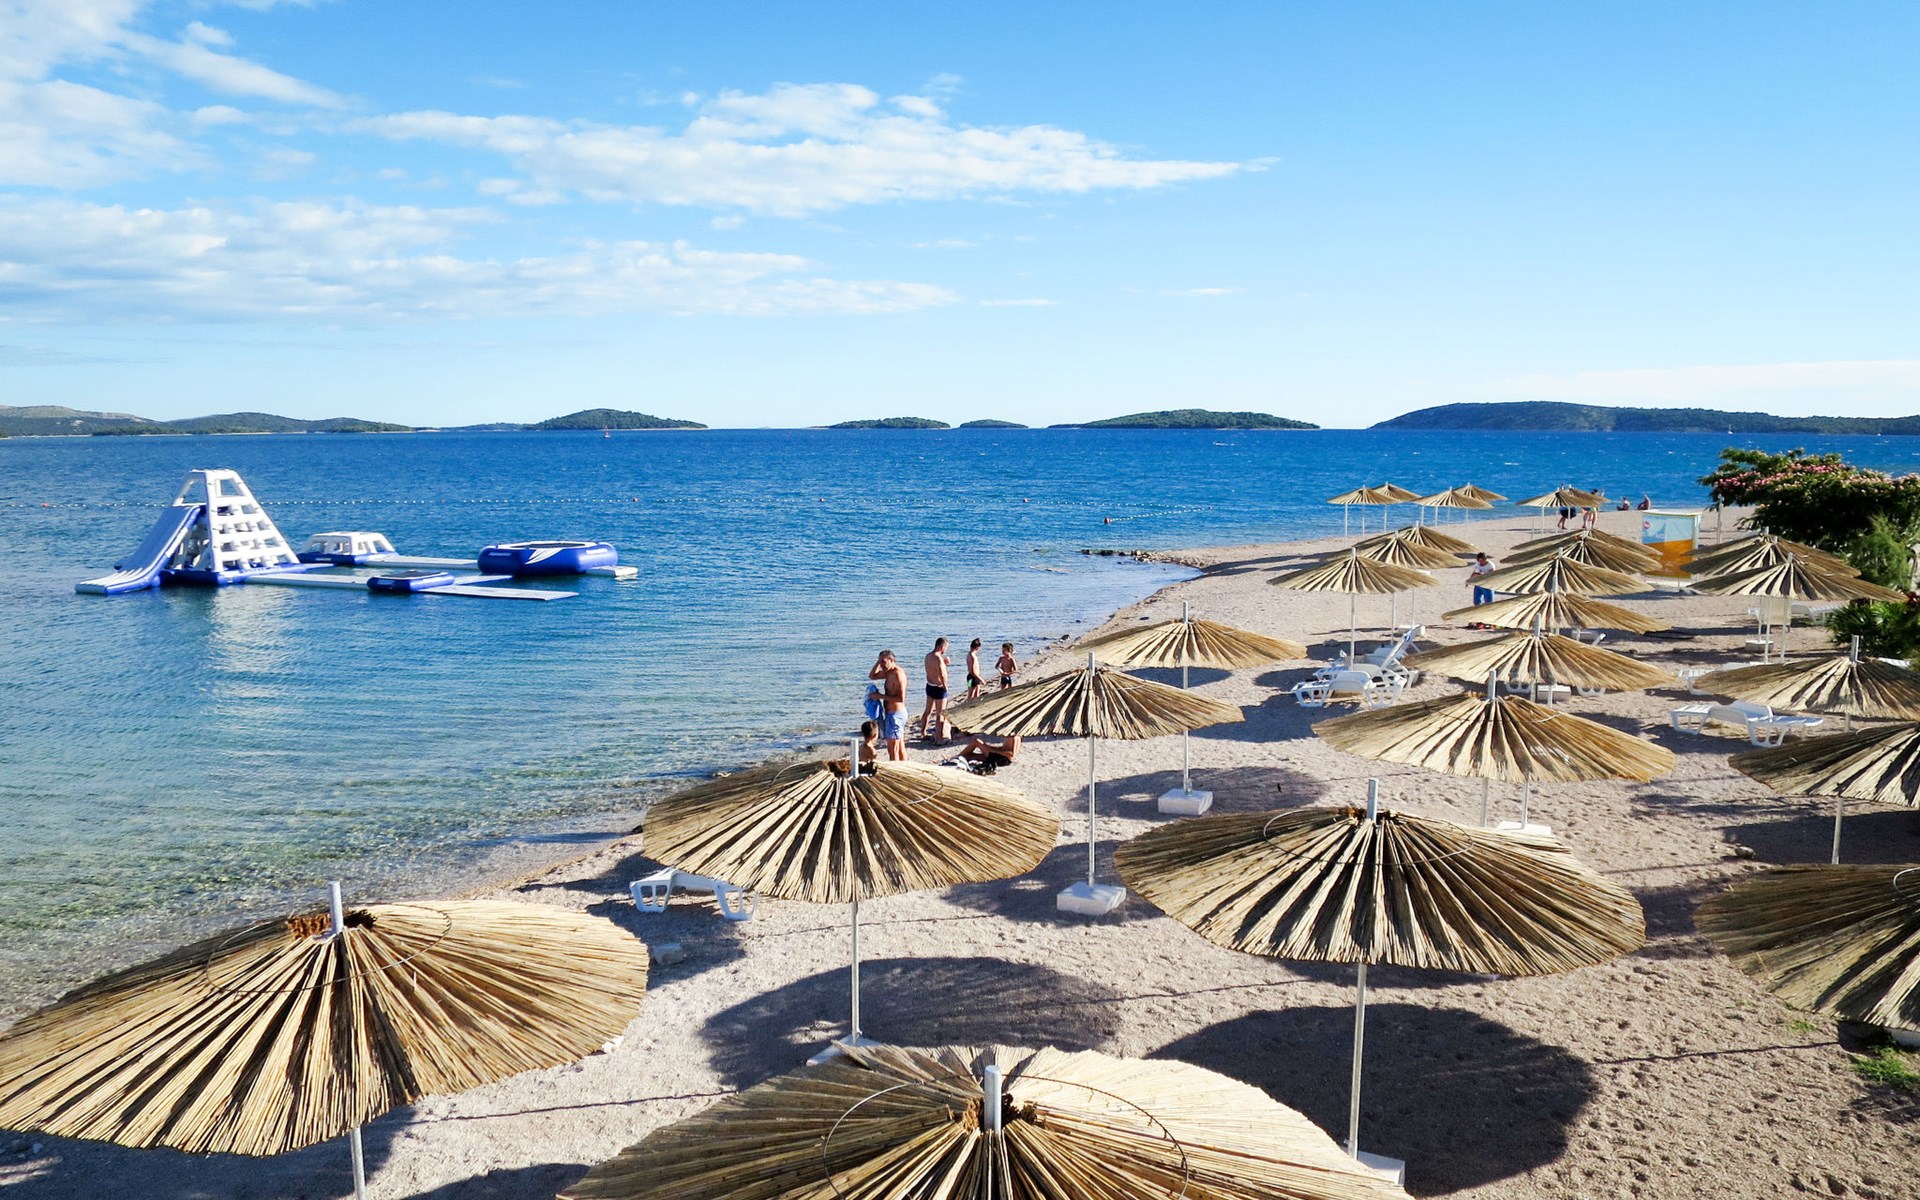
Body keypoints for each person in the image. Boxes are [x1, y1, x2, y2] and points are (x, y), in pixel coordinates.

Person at [869, 650, 909, 760]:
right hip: (892, 714)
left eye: (883, 662)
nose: (881, 665)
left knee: (892, 750)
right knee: (900, 748)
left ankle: (895, 769)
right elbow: (872, 676)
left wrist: (880, 696)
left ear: (891, 660)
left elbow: (901, 698)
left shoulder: (897, 674)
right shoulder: (888, 672)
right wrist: (878, 662)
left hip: (896, 715)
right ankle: (903, 767)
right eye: (880, 662)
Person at [918, 637, 951, 742]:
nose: (945, 650)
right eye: (945, 648)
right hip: (939, 688)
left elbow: (932, 670)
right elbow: (941, 674)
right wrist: (945, 686)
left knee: (928, 710)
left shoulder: (928, 656)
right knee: (940, 713)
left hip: (930, 685)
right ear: (941, 647)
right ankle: (939, 738)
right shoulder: (938, 658)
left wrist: (944, 664)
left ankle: (923, 732)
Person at [1467, 552, 1497, 624]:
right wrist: (1469, 580)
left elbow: (1492, 575)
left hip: (1488, 586)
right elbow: (1474, 572)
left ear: (1485, 559)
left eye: (1481, 561)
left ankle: (1489, 619)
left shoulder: (1490, 565)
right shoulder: (1478, 564)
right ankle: (1478, 618)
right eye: (1479, 560)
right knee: (1476, 601)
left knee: (1488, 603)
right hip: (1478, 585)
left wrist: (1480, 574)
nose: (1480, 562)